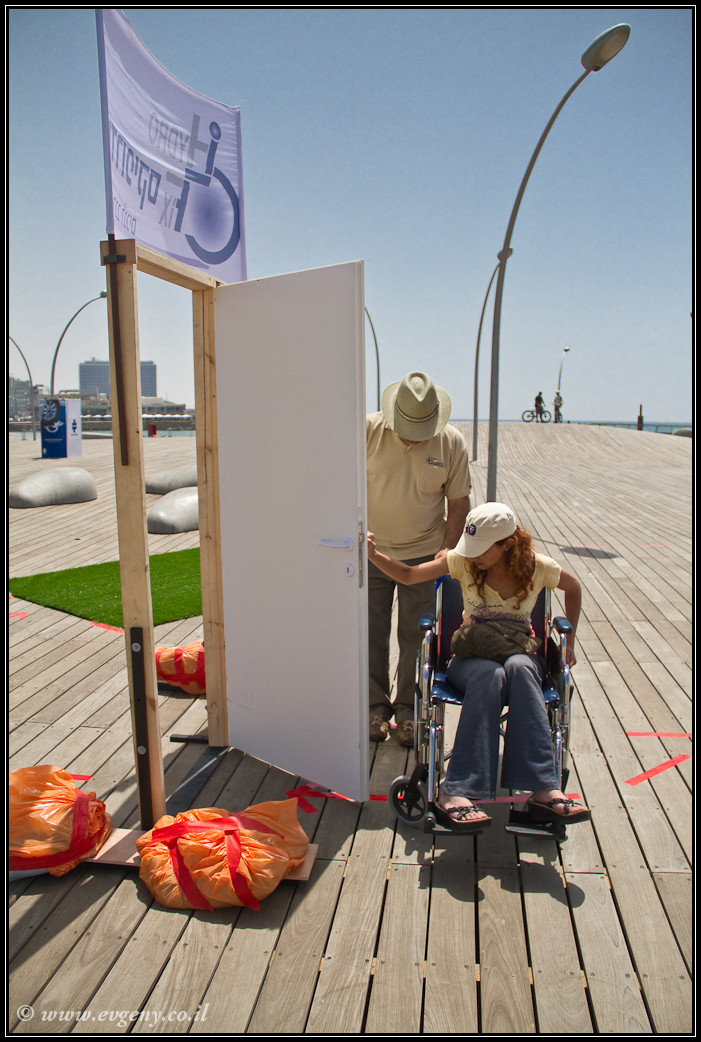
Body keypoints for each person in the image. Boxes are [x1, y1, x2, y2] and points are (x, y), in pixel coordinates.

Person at [367, 502, 590, 832]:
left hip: (517, 655)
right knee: (491, 673)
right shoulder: (463, 562)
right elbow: (410, 575)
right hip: (469, 660)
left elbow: (573, 588)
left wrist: (569, 642)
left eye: (482, 549)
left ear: (508, 545)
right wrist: (373, 554)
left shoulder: (538, 568)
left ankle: (544, 789)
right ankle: (455, 793)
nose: (473, 556)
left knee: (520, 668)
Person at [366, 372, 472, 746]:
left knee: (417, 635)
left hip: (425, 553)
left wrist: (449, 547)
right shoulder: (365, 431)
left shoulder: (451, 442)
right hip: (371, 552)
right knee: (369, 631)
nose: (415, 434)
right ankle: (374, 707)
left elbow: (459, 503)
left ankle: (409, 710)